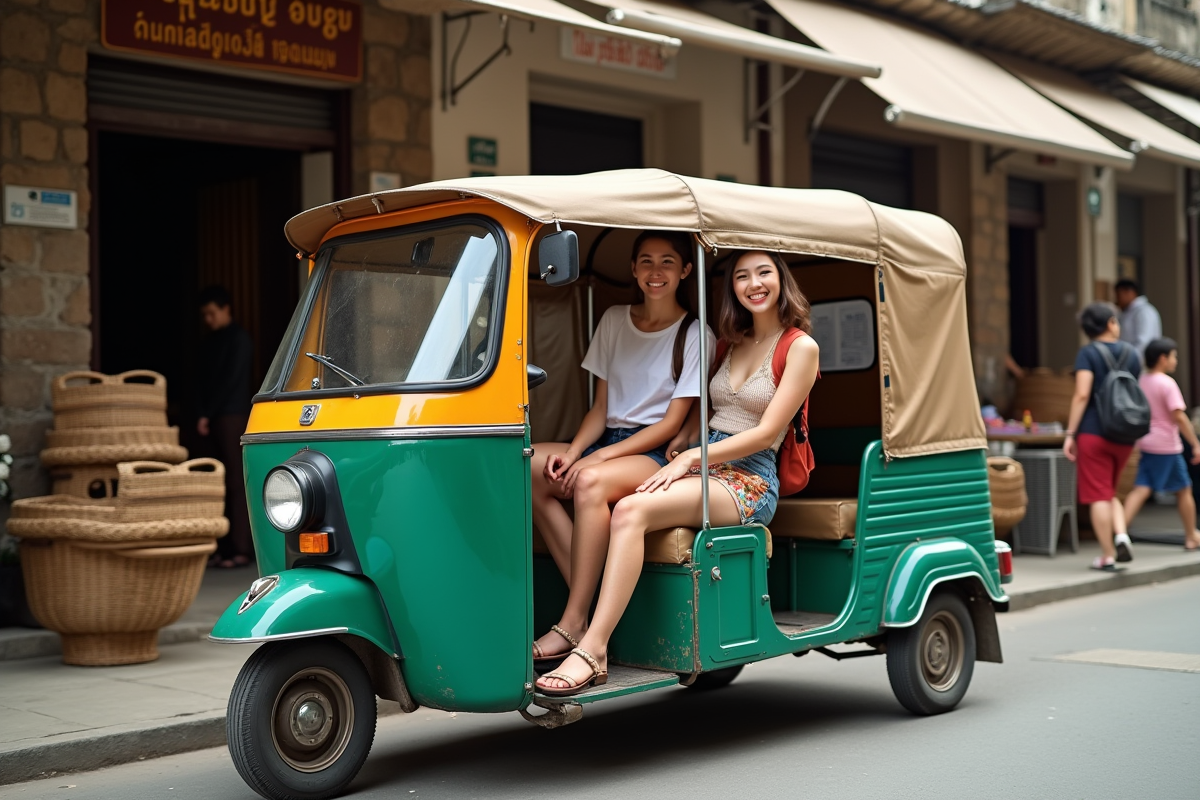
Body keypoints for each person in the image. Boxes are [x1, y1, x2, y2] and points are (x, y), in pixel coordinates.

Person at [536, 249, 820, 696]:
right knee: (614, 498)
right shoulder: (730, 342)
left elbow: (767, 433)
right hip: (703, 462)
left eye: (764, 273)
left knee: (630, 510)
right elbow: (707, 409)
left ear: (781, 279)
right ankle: (581, 624)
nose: (754, 284)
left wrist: (691, 458)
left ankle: (594, 649)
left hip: (749, 480)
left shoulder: (799, 346)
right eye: (742, 276)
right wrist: (686, 439)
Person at [529, 231, 714, 669]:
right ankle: (594, 591)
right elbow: (600, 408)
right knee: (530, 465)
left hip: (655, 451)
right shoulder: (613, 318)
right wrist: (575, 451)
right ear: (633, 269)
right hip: (609, 440)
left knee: (591, 482)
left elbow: (671, 424)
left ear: (685, 271)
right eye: (646, 261)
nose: (656, 271)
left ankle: (574, 621)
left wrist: (597, 460)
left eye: (668, 262)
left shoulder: (694, 331)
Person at [1063, 302, 1140, 572]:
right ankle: (1120, 535)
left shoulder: (1088, 354)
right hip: (1125, 433)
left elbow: (1082, 394)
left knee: (1098, 495)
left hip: (1094, 433)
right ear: (1110, 323)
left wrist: (1070, 433)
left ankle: (1107, 555)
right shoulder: (1132, 354)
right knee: (1110, 492)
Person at [1123, 338, 1200, 552]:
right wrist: (1194, 442)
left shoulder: (1142, 380)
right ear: (1162, 359)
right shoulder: (1167, 383)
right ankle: (1191, 535)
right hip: (1168, 445)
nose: (1176, 360)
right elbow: (1179, 416)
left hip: (1146, 442)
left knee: (1140, 489)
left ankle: (1119, 533)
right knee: (1184, 489)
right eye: (1174, 356)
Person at [197, 285, 255, 569]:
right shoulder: (210, 342)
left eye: (211, 313)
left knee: (235, 482)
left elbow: (231, 382)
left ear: (225, 309)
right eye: (204, 314)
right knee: (215, 483)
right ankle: (220, 547)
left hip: (232, 415)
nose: (208, 319)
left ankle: (241, 549)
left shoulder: (239, 339)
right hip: (213, 417)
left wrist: (206, 413)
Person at [1114, 279, 1162, 363]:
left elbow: (1144, 342)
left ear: (1129, 292)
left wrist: (1130, 362)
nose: (1117, 299)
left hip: (1139, 364)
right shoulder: (1126, 312)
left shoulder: (1144, 311)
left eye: (1119, 295)